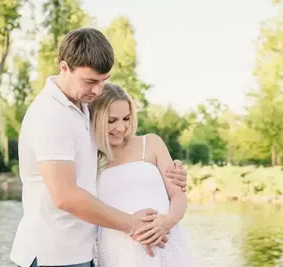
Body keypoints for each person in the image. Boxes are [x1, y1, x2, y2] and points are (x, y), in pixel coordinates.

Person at [10, 28, 188, 267]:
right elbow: (65, 196)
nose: (97, 90)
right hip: (53, 254)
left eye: (102, 82)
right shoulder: (51, 115)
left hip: (81, 253)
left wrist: (174, 173)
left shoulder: (81, 107)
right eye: (90, 81)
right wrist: (133, 224)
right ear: (64, 68)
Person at [89, 83, 194, 267]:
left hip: (165, 246)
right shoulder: (90, 159)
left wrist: (166, 222)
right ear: (95, 119)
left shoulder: (151, 144)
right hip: (119, 253)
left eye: (126, 118)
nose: (121, 128)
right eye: (111, 121)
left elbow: (178, 195)